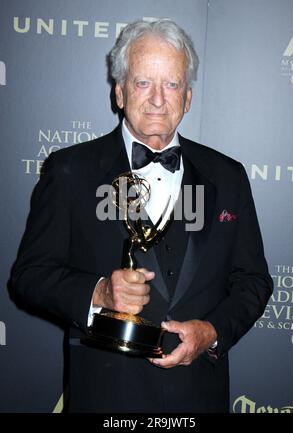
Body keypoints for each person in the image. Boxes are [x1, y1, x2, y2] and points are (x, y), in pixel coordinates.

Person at [9, 19, 273, 413]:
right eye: (142, 82)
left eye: (171, 84)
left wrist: (213, 331)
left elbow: (253, 281)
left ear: (187, 97)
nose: (157, 99)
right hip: (106, 397)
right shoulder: (71, 171)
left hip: (198, 398)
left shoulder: (227, 176)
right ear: (119, 92)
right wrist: (97, 292)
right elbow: (29, 276)